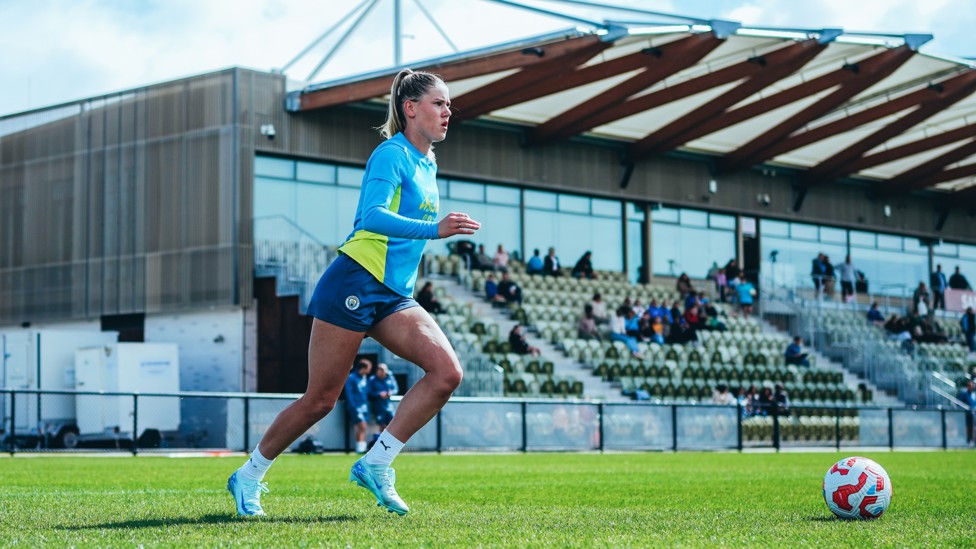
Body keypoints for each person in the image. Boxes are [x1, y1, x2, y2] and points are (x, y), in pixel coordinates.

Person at [227, 68, 480, 517]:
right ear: (410, 108)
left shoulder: (429, 162)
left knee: (447, 374)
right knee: (320, 401)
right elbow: (371, 216)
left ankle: (377, 463)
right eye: (439, 103)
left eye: (448, 105)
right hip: (356, 281)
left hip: (395, 295)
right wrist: (434, 230)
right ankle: (248, 476)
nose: (447, 112)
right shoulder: (390, 154)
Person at [345, 360, 371, 454]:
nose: (369, 371)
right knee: (362, 426)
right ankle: (360, 448)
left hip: (364, 407)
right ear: (363, 368)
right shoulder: (352, 378)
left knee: (362, 427)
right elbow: (349, 394)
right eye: (368, 369)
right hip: (356, 407)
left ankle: (361, 447)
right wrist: (353, 407)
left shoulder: (364, 378)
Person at [367, 362, 399, 434]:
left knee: (392, 423)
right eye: (379, 370)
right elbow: (369, 392)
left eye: (382, 370)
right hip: (378, 406)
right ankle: (382, 442)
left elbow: (395, 389)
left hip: (388, 405)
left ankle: (390, 443)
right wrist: (379, 394)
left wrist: (391, 393)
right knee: (382, 425)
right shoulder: (372, 379)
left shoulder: (390, 377)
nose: (380, 372)